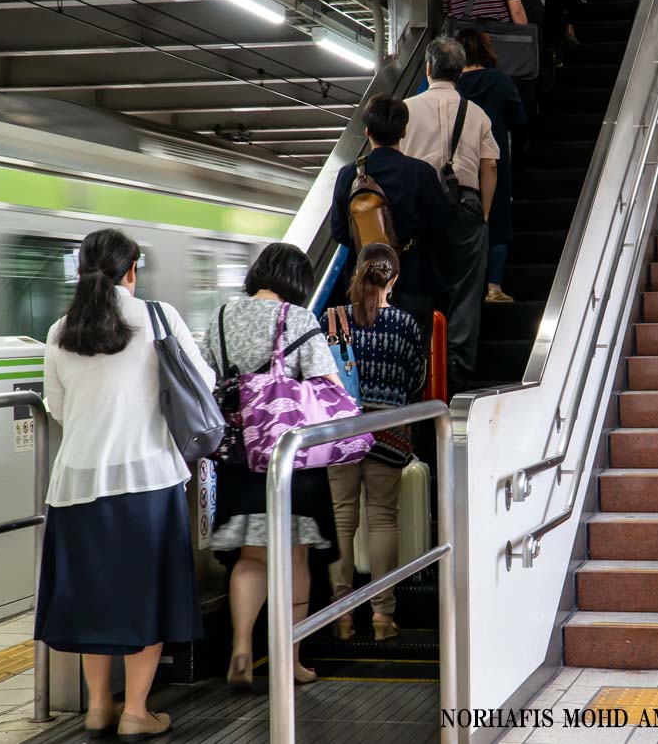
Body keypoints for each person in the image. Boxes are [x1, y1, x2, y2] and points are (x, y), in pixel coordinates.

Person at [36, 228, 211, 740]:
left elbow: (58, 407)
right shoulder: (157, 318)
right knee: (145, 598)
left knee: (97, 598)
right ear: (132, 269)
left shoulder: (59, 330)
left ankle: (98, 707)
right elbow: (199, 383)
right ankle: (136, 709)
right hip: (148, 480)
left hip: (77, 484)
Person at [200, 243, 343, 689]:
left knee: (250, 556)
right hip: (289, 458)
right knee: (295, 557)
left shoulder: (222, 316)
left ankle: (241, 645)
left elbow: (206, 378)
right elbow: (328, 384)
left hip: (239, 457)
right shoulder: (298, 319)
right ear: (296, 282)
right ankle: (289, 658)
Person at [320, 244, 423, 644]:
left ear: (358, 272)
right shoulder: (406, 325)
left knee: (342, 518)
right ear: (392, 279)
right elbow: (415, 379)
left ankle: (342, 616)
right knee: (383, 518)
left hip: (342, 432)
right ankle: (382, 616)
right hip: (390, 431)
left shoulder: (332, 320)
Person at [402, 37, 500, 390]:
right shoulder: (476, 113)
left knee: (419, 281)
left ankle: (418, 364)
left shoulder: (406, 109)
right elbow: (490, 165)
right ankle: (456, 367)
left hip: (418, 206)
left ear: (427, 68)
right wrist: (485, 212)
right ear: (459, 72)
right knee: (466, 288)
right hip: (466, 204)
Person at [330, 93, 452, 354]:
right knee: (413, 358)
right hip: (414, 283)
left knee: (365, 357)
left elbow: (340, 233)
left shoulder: (348, 174)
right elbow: (442, 227)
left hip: (363, 288)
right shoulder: (421, 173)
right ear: (404, 131)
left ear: (366, 130)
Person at [455, 29, 526, 304]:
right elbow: (519, 120)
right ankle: (494, 288)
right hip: (495, 161)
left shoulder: (454, 86)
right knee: (498, 221)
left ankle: (465, 290)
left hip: (459, 163)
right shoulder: (501, 82)